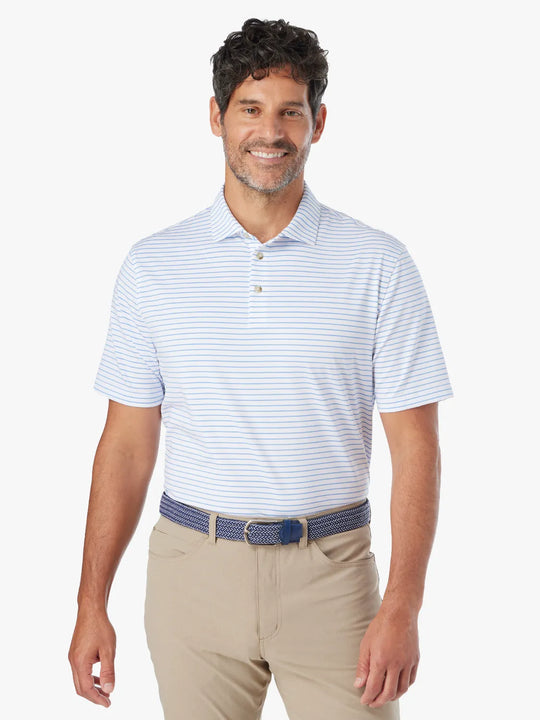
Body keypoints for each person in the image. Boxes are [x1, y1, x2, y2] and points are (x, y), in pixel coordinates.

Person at [68, 17, 453, 720]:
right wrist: (91, 602)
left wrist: (404, 605)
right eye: (250, 108)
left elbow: (416, 447)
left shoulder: (378, 264)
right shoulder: (153, 267)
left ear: (318, 123)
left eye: (290, 112)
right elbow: (125, 444)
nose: (269, 132)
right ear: (217, 117)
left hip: (333, 576)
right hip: (192, 576)